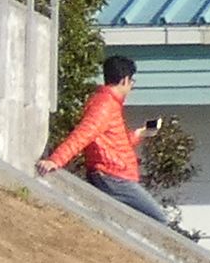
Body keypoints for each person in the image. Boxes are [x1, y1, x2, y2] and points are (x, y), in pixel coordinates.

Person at [42, 54, 172, 221]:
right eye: (132, 81)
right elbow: (83, 134)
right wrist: (55, 160)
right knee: (160, 220)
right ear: (125, 80)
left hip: (115, 175)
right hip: (113, 176)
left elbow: (113, 143)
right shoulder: (105, 105)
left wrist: (139, 134)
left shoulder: (109, 103)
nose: (132, 86)